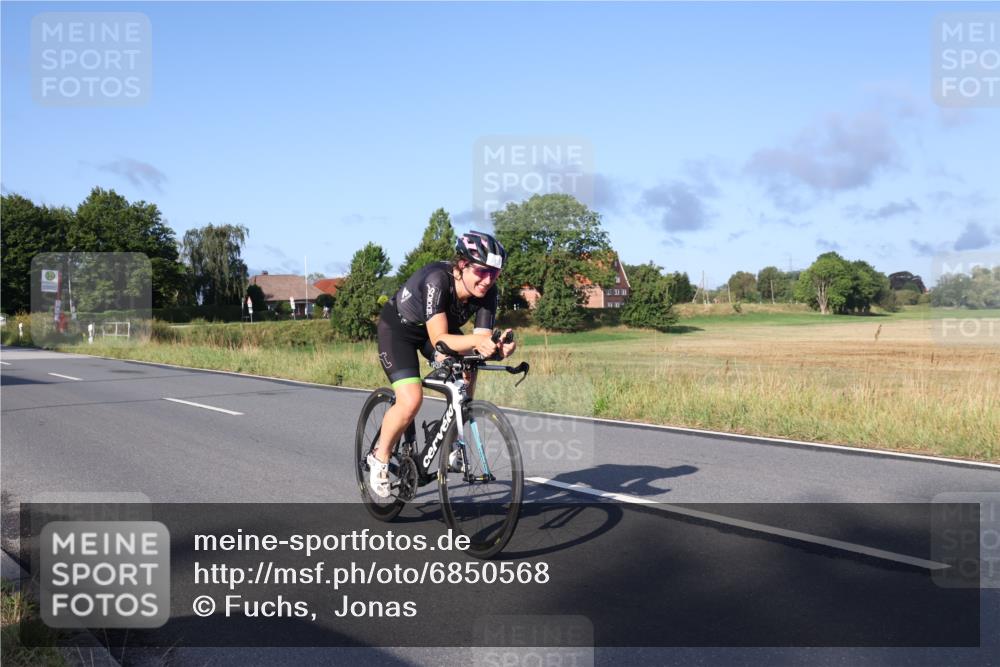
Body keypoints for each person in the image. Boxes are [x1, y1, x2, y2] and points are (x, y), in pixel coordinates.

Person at [368, 231, 517, 498]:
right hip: (399, 331)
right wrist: (479, 343)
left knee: (469, 367)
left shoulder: (488, 292)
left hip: (438, 331)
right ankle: (379, 457)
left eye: (495, 273)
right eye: (482, 272)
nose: (488, 280)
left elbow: (480, 341)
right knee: (411, 400)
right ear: (461, 265)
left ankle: (452, 441)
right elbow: (439, 339)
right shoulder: (438, 280)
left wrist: (497, 349)